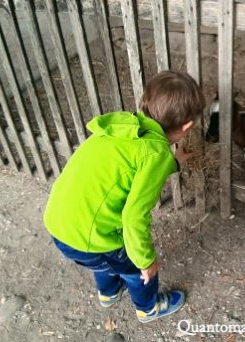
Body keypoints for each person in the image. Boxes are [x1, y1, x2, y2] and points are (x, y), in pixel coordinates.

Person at [43, 71, 205, 323]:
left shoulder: (121, 128)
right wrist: (146, 260)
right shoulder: (155, 154)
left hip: (59, 223)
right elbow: (133, 216)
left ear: (145, 104)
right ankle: (148, 308)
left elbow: (130, 169)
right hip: (89, 237)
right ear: (186, 128)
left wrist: (172, 162)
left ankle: (108, 293)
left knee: (104, 259)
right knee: (133, 269)